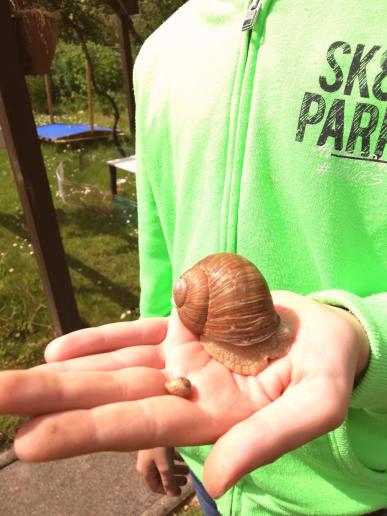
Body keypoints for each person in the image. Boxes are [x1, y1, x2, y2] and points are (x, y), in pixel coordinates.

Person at [0, 0, 386, 514]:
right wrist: (154, 401)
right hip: (203, 446)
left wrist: (366, 336)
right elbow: (161, 243)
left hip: (360, 488)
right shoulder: (160, 54)